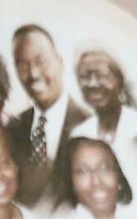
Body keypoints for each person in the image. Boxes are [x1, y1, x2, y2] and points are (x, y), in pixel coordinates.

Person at [6, 24, 88, 208]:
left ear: (60, 62)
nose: (33, 74)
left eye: (40, 61)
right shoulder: (13, 130)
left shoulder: (90, 124)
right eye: (22, 65)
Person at [54, 135, 137, 219]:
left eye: (104, 169)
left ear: (118, 175)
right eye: (83, 172)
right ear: (71, 181)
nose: (96, 182)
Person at [73, 43, 137, 150]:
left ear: (119, 80)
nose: (93, 84)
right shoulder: (80, 135)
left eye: (101, 75)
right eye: (85, 77)